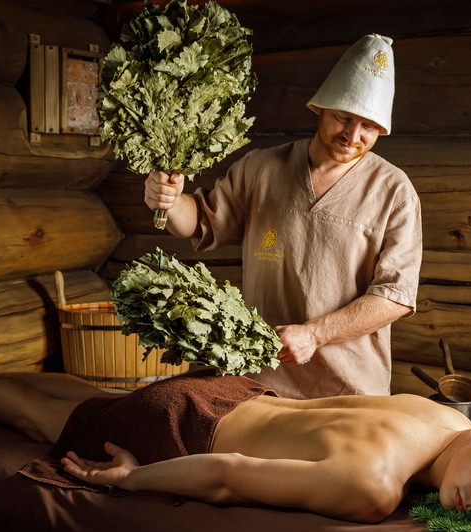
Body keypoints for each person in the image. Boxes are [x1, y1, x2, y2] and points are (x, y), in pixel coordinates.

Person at [0, 359, 471, 524]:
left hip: (240, 392)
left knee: (95, 397)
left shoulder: (445, 419)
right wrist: (132, 479)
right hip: (187, 427)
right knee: (40, 420)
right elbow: (228, 474)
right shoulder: (373, 486)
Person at [143, 34, 423, 399]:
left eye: (368, 126)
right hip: (261, 381)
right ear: (321, 108)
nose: (352, 135)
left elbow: (395, 296)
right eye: (343, 118)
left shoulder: (395, 191)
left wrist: (315, 334)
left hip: (351, 389)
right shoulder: (261, 167)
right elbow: (201, 222)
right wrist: (170, 200)